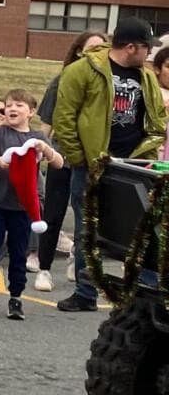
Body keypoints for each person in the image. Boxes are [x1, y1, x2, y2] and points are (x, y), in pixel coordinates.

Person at [54, 17, 167, 312]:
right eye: (147, 48)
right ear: (131, 47)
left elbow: (155, 118)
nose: (150, 54)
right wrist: (81, 160)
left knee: (141, 229)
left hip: (132, 165)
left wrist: (148, 156)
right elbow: (64, 119)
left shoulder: (145, 77)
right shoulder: (83, 70)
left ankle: (142, 294)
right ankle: (85, 292)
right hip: (93, 164)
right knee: (87, 229)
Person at [0, 89, 64, 322]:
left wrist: (47, 151)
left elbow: (59, 163)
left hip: (23, 207)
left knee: (18, 253)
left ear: (31, 112)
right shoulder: (0, 134)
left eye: (19, 105)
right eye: (9, 105)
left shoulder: (37, 139)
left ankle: (16, 297)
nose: (12, 109)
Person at [31, 30, 107, 292]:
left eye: (103, 48)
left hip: (92, 161)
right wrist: (39, 155)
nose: (98, 54)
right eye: (92, 48)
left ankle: (78, 261)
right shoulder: (62, 80)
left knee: (85, 218)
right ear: (78, 51)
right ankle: (44, 268)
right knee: (53, 214)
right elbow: (47, 125)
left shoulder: (107, 84)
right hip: (62, 158)